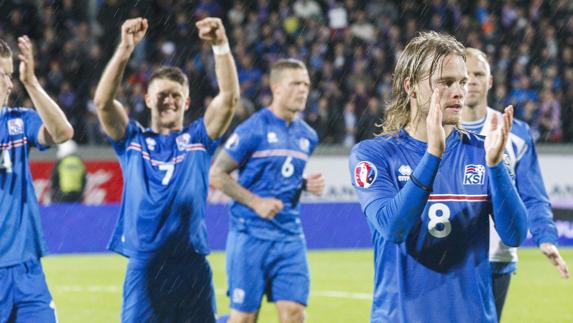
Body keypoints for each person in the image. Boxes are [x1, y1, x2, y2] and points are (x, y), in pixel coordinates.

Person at [348, 31, 529, 323]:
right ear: (411, 87)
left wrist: (496, 166)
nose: (459, 91)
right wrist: (433, 155)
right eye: (446, 83)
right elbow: (393, 228)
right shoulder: (373, 155)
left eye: (462, 82)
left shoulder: (484, 152)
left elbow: (515, 234)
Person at [93, 17, 239, 322]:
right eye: (161, 94)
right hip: (145, 263)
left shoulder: (198, 139)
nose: (168, 100)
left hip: (190, 264)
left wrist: (220, 45)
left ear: (187, 102)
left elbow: (229, 99)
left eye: (176, 95)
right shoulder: (132, 140)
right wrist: (124, 49)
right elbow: (103, 103)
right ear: (147, 99)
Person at [210, 58, 325, 323]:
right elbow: (217, 174)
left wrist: (304, 184)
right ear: (276, 88)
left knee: (294, 315)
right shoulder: (253, 129)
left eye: (306, 83)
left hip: (289, 237)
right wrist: (256, 202)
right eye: (295, 83)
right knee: (245, 318)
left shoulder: (308, 136)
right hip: (250, 236)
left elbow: (282, 176)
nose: (303, 89)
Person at [462, 47, 570, 319]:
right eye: (465, 75)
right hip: (452, 256)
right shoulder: (438, 129)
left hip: (498, 259)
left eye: (478, 73)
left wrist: (545, 238)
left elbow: (533, 195)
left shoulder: (516, 132)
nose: (472, 80)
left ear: (490, 81)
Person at [0, 36, 74, 322]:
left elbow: (62, 133)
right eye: (2, 76)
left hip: (28, 270)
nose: (9, 84)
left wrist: (31, 82)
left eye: (10, 75)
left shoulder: (19, 121)